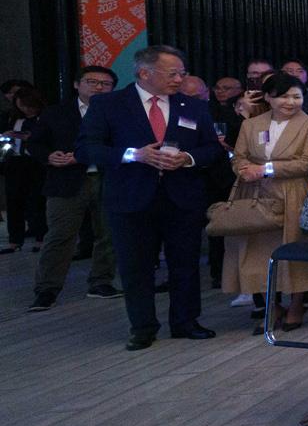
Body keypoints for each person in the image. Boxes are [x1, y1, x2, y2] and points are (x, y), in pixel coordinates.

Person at [77, 45, 223, 350]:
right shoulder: (109, 104)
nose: (179, 79)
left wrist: (187, 158)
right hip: (130, 197)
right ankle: (142, 326)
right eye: (173, 73)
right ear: (145, 73)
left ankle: (185, 321)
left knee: (185, 263)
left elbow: (212, 148)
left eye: (182, 73)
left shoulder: (192, 106)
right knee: (135, 266)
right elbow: (87, 149)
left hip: (181, 197)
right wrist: (134, 154)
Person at [220, 72, 308, 330]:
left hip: (293, 193)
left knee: (295, 250)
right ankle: (272, 306)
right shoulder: (251, 125)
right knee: (257, 252)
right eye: (283, 96)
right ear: (268, 97)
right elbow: (239, 156)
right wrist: (244, 170)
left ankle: (297, 304)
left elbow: (304, 164)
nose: (290, 102)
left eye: (296, 97)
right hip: (254, 193)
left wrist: (265, 169)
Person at [27, 65, 120, 310]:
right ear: (77, 84)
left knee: (109, 234)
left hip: (108, 178)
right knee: (60, 235)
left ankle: (101, 282)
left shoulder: (119, 112)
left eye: (105, 84)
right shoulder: (55, 112)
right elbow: (34, 144)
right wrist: (49, 156)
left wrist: (84, 156)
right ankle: (47, 289)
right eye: (92, 81)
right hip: (65, 180)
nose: (99, 87)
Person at [2, 85, 47, 255]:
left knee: (37, 201)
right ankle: (15, 240)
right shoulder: (13, 118)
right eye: (21, 106)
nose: (26, 109)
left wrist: (29, 137)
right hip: (15, 161)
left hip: (36, 162)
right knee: (14, 201)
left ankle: (41, 238)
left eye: (29, 106)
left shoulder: (45, 117)